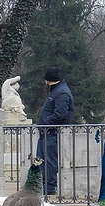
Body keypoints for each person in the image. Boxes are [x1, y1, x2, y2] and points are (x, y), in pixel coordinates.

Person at [36, 67, 74, 196]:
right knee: (42, 160)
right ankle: (43, 185)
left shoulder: (61, 92)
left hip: (52, 133)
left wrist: (45, 122)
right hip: (46, 132)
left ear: (48, 80)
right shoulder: (57, 91)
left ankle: (50, 186)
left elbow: (61, 114)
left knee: (50, 160)